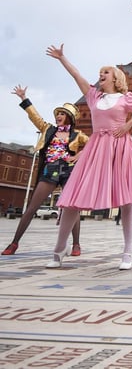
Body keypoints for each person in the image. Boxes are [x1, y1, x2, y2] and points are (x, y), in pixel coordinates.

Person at [45, 44, 132, 270]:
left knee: (127, 200)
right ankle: (59, 249)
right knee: (73, 199)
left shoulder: (126, 98)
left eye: (105, 73)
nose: (101, 76)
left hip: (120, 147)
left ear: (116, 78)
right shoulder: (93, 96)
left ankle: (127, 252)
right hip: (96, 148)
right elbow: (77, 75)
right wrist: (62, 58)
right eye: (100, 73)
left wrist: (129, 124)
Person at [2, 85, 89, 256]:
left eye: (62, 114)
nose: (58, 116)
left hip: (68, 171)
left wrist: (78, 155)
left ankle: (76, 245)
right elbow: (34, 116)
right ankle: (14, 243)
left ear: (69, 117)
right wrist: (23, 98)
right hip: (50, 169)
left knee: (72, 208)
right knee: (32, 207)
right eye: (58, 113)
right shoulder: (48, 129)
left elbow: (93, 144)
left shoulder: (78, 135)